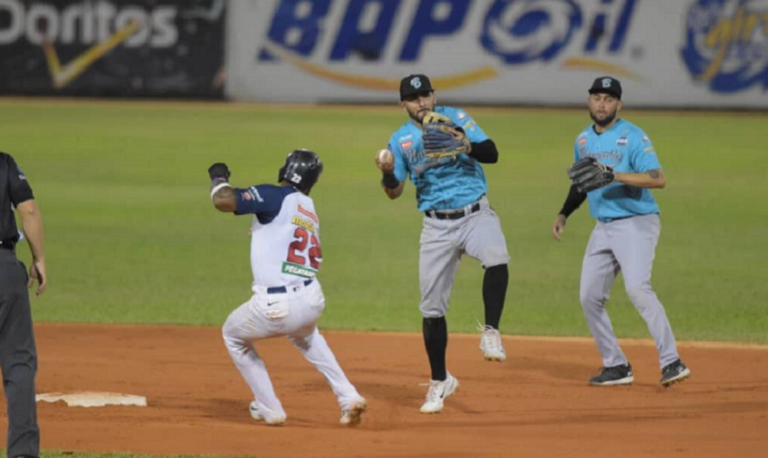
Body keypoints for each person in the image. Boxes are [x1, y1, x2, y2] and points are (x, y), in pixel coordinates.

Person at [374, 74, 510, 414]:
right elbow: (394, 192)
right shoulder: (401, 140)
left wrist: (462, 143)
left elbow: (491, 153)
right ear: (402, 104)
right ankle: (440, 381)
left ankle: (491, 331)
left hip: (475, 212)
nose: (421, 102)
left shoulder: (456, 118)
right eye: (413, 98)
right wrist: (388, 171)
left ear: (434, 96)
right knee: (431, 311)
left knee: (496, 257)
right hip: (436, 225)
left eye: (425, 95)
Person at [208, 149, 367, 426]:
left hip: (276, 305)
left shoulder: (274, 196)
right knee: (306, 336)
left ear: (286, 169)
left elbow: (224, 201)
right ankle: (348, 395)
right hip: (311, 299)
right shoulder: (307, 207)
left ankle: (270, 408)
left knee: (233, 336)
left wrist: (219, 177)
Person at [551, 76, 691, 387]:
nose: (602, 104)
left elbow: (658, 178)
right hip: (603, 227)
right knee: (589, 296)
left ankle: (672, 361)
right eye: (597, 98)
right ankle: (616, 365)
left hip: (636, 222)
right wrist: (564, 213)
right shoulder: (583, 140)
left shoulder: (633, 136)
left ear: (619, 104)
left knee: (638, 288)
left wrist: (615, 175)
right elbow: (582, 183)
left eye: (608, 99)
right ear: (589, 101)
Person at [0, 152, 46, 458]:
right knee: (18, 362)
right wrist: (39, 259)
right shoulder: (3, 163)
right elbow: (28, 210)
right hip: (3, 270)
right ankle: (22, 453)